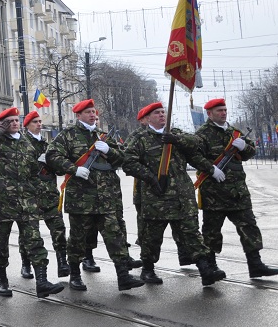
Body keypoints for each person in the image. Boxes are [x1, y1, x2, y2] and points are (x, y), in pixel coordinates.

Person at [122, 102, 226, 286]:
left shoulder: (176, 134)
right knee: (152, 237)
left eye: (163, 112)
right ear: (148, 118)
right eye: (157, 113)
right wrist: (151, 177)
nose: (162, 115)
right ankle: (147, 269)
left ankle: (205, 270)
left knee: (191, 234)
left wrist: (177, 141)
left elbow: (197, 143)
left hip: (182, 197)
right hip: (157, 197)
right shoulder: (141, 139)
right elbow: (128, 162)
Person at [46, 99, 145, 292]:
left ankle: (123, 276)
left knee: (115, 236)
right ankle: (74, 275)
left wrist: (109, 151)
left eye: (94, 112)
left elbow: (123, 157)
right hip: (81, 199)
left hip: (106, 198)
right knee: (77, 239)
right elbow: (52, 156)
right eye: (89, 112)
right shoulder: (68, 135)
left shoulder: (103, 137)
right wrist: (73, 169)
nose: (93, 115)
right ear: (79, 115)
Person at [0, 107, 64, 298]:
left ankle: (42, 282)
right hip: (2, 204)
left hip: (27, 203)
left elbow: (35, 172)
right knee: (0, 246)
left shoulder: (26, 143)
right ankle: (2, 281)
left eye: (17, 120)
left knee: (35, 242)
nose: (15, 123)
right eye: (10, 121)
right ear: (3, 124)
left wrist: (36, 194)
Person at [195, 98, 278, 278]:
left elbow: (250, 153)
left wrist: (244, 147)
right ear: (209, 114)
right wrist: (211, 169)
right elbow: (194, 157)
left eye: (224, 110)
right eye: (219, 111)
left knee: (249, 227)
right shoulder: (202, 135)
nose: (223, 113)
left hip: (238, 192)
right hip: (214, 194)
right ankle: (211, 266)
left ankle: (255, 264)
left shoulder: (235, 133)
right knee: (211, 232)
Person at [21, 110, 69, 279]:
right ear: (27, 125)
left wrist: (53, 163)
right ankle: (26, 264)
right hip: (29, 196)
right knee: (29, 234)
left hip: (49, 194)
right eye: (35, 122)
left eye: (40, 121)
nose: (39, 124)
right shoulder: (21, 143)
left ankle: (63, 262)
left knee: (58, 229)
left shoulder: (46, 144)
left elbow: (57, 166)